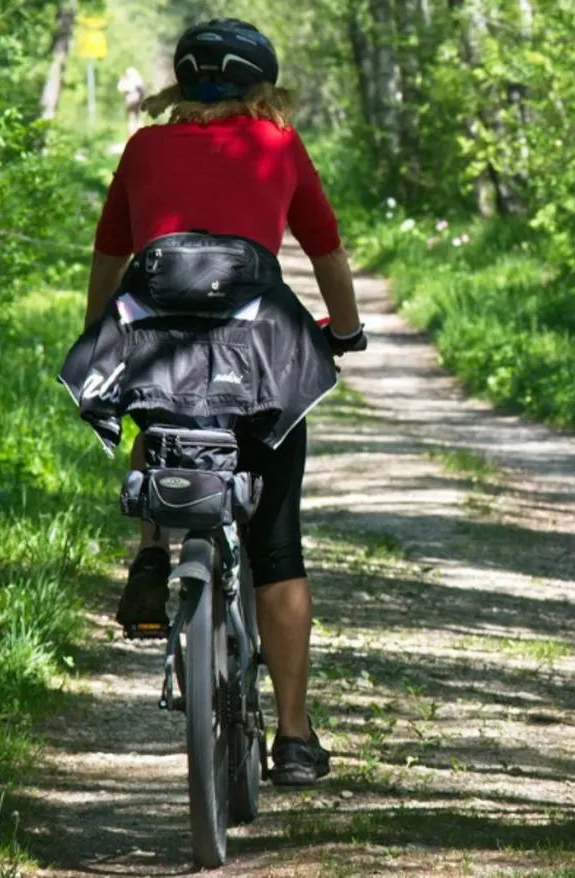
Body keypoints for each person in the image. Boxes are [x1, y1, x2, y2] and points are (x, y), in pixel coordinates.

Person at [78, 19, 365, 786]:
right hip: (259, 347)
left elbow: (111, 256)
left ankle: (150, 550)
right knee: (278, 545)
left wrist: (97, 334)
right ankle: (296, 738)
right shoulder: (277, 144)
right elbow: (325, 249)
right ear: (260, 87)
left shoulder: (143, 148)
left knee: (157, 403)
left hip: (156, 336)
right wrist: (350, 331)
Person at [116, 66, 146, 137]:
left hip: (131, 102)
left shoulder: (127, 81)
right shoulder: (138, 79)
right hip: (138, 102)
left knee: (132, 119)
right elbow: (143, 91)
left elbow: (120, 89)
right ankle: (139, 136)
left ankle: (133, 137)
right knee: (137, 119)